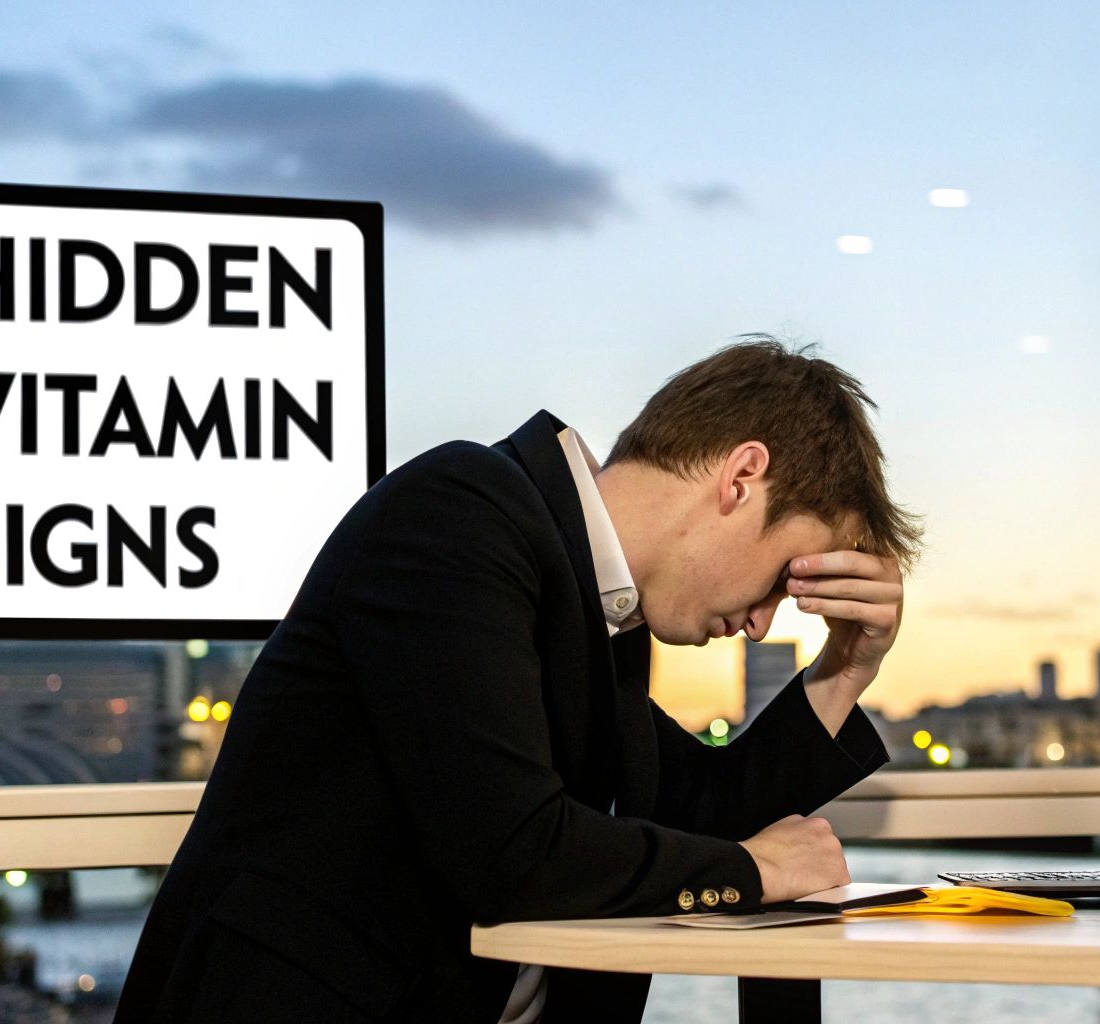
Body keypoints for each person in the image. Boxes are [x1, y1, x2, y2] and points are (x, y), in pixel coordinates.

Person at [113, 336, 924, 1022]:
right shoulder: (459, 514)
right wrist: (752, 871)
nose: (762, 624)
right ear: (741, 478)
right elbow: (512, 850)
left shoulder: (598, 607)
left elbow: (699, 817)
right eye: (783, 578)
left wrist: (844, 669)